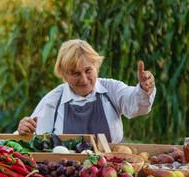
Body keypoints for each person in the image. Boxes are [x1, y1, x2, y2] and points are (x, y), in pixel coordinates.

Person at [16, 39, 156, 143]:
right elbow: (33, 139)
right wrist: (25, 131)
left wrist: (144, 88)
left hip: (112, 175)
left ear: (97, 67)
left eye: (88, 70)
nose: (83, 79)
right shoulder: (53, 100)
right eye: (75, 73)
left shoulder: (111, 89)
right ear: (64, 75)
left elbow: (136, 104)